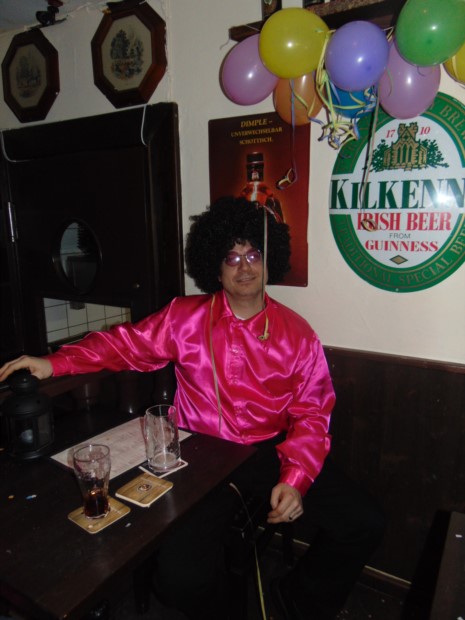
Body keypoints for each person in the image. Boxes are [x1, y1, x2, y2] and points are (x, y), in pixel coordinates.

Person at [0, 196, 385, 620]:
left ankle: (297, 598)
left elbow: (313, 414)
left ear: (268, 260)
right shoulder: (183, 318)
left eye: (253, 254)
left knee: (365, 521)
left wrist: (295, 478)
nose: (244, 267)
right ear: (215, 268)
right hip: (201, 455)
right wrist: (55, 363)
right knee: (180, 580)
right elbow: (123, 345)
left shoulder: (298, 334)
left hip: (272, 450)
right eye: (231, 257)